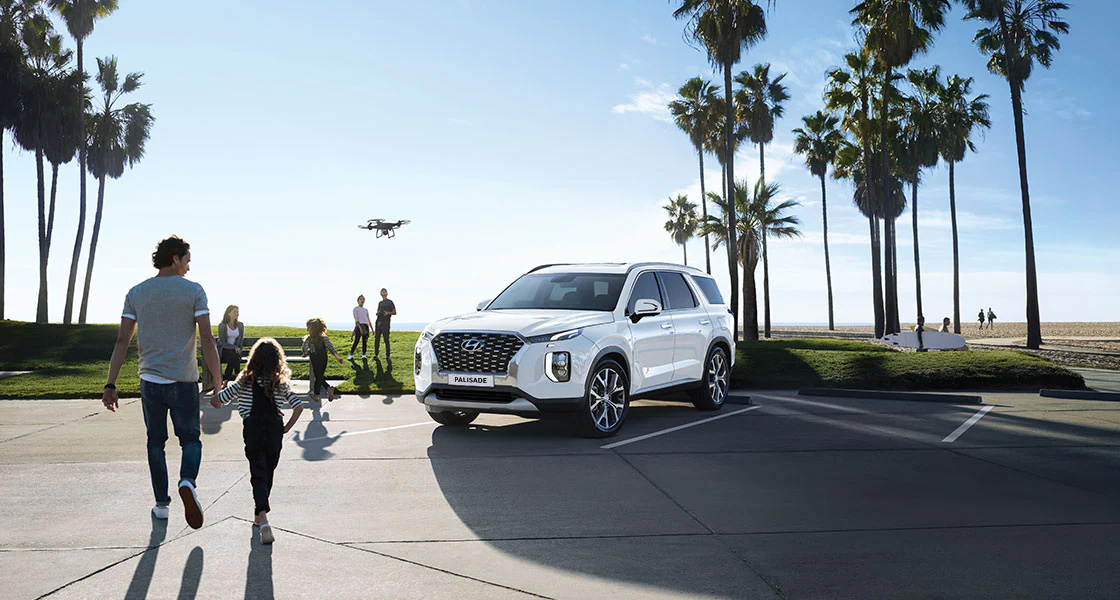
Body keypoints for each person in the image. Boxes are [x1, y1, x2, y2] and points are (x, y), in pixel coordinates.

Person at [102, 235, 220, 530]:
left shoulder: (137, 292)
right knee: (190, 440)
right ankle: (187, 481)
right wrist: (217, 383)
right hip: (183, 381)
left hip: (150, 382)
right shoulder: (194, 291)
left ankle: (162, 505)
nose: (189, 268)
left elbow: (122, 340)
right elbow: (206, 338)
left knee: (156, 443)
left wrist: (110, 384)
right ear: (176, 258)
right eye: (187, 261)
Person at [213, 338, 304, 545]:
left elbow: (221, 398)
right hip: (274, 428)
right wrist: (286, 428)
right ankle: (259, 515)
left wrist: (216, 399)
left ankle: (262, 516)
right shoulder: (280, 382)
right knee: (268, 471)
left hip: (253, 428)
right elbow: (298, 407)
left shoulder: (245, 380)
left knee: (258, 472)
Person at [302, 318, 344, 402]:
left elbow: (304, 350)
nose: (307, 329)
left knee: (318, 376)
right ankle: (318, 394)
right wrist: (337, 357)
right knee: (319, 376)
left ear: (314, 329)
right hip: (323, 358)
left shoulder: (317, 338)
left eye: (309, 328)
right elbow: (331, 349)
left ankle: (322, 392)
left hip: (316, 358)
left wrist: (337, 357)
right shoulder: (314, 338)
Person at [218, 305, 245, 384]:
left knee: (234, 356)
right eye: (234, 312)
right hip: (224, 351)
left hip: (236, 352)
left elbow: (240, 340)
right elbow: (222, 343)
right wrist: (234, 347)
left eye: (237, 312)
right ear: (228, 313)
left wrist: (238, 349)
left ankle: (226, 380)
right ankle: (237, 375)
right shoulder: (222, 325)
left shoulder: (240, 325)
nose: (237, 314)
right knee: (234, 356)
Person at [374, 288, 396, 359]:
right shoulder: (380, 303)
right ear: (380, 294)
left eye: (384, 291)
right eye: (382, 291)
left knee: (386, 340)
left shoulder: (390, 302)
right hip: (378, 323)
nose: (383, 293)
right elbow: (378, 311)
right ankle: (376, 355)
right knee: (377, 339)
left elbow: (394, 312)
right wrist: (378, 313)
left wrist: (388, 313)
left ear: (387, 293)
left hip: (386, 324)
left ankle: (388, 355)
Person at [350, 295, 374, 360]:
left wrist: (372, 329)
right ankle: (351, 354)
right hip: (359, 326)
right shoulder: (356, 309)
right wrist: (360, 328)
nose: (362, 300)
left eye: (363, 299)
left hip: (366, 326)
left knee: (364, 341)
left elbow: (368, 320)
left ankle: (364, 354)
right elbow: (356, 320)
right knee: (356, 341)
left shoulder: (366, 310)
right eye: (360, 299)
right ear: (358, 301)